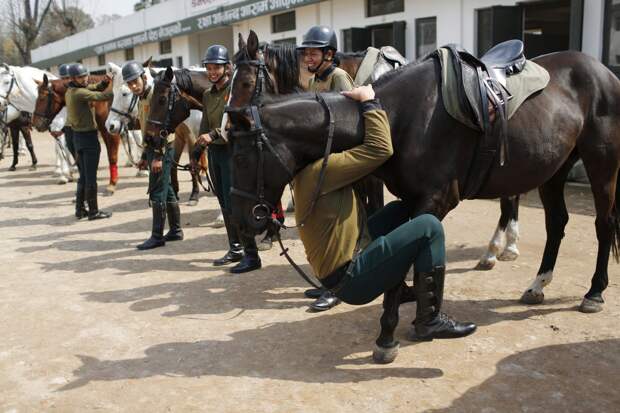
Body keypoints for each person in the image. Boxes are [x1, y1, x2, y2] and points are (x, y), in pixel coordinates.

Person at [295, 84, 477, 340]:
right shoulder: (322, 170)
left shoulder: (306, 172)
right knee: (429, 226)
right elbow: (381, 149)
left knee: (401, 210)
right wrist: (370, 102)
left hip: (350, 252)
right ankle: (430, 319)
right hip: (350, 280)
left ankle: (399, 288)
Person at [296, 25, 355, 311]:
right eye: (305, 53)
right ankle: (328, 282)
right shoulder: (314, 81)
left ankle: (338, 286)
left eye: (313, 52)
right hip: (320, 161)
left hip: (338, 162)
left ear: (329, 54)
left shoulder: (338, 77)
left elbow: (352, 122)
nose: (308, 57)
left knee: (335, 227)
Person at [193, 44, 261, 274]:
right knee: (223, 202)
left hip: (234, 152)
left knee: (237, 204)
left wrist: (211, 135)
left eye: (216, 68)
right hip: (215, 154)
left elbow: (235, 122)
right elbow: (204, 125)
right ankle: (235, 248)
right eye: (209, 68)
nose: (212, 72)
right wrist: (196, 150)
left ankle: (252, 254)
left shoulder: (235, 92)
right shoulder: (207, 94)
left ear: (227, 68)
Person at [122, 60, 184, 250]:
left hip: (162, 148)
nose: (133, 86)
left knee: (157, 190)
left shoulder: (153, 96)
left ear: (143, 77)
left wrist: (157, 155)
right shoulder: (140, 98)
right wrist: (144, 156)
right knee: (168, 190)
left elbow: (163, 129)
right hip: (152, 149)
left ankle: (157, 236)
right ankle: (175, 230)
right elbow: (146, 129)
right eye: (129, 83)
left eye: (135, 81)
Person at [65, 63, 113, 220]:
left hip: (78, 138)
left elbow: (95, 87)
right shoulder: (79, 93)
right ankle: (93, 211)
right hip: (88, 139)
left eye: (86, 75)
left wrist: (105, 82)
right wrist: (117, 89)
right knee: (91, 177)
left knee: (84, 177)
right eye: (81, 77)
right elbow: (102, 96)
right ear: (73, 78)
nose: (85, 78)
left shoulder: (71, 90)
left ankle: (80, 210)